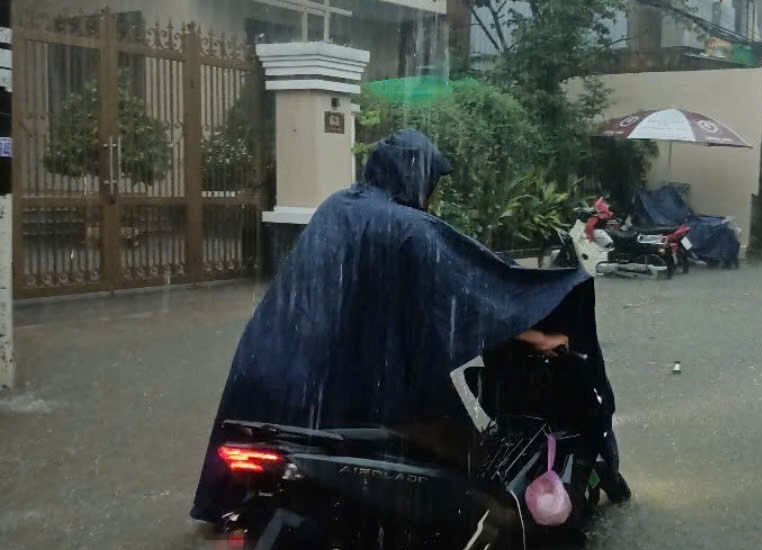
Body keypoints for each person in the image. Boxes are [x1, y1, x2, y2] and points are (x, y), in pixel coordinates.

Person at [191, 129, 626, 523]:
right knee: (459, 473)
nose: (432, 195)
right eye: (432, 184)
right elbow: (471, 291)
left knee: (238, 515)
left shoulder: (337, 207)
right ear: (418, 179)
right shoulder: (409, 228)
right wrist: (537, 332)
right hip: (328, 390)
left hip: (263, 368)